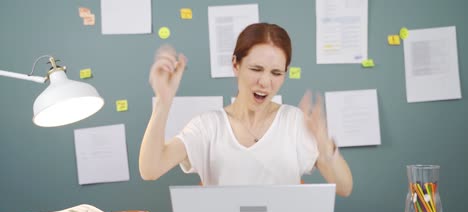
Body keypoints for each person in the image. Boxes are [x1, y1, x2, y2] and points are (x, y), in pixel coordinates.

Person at [139, 23, 353, 197]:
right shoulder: (208, 126)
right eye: (256, 69)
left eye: (276, 73)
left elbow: (345, 188)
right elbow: (150, 169)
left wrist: (325, 145)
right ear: (236, 64)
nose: (265, 82)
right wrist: (163, 103)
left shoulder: (294, 121)